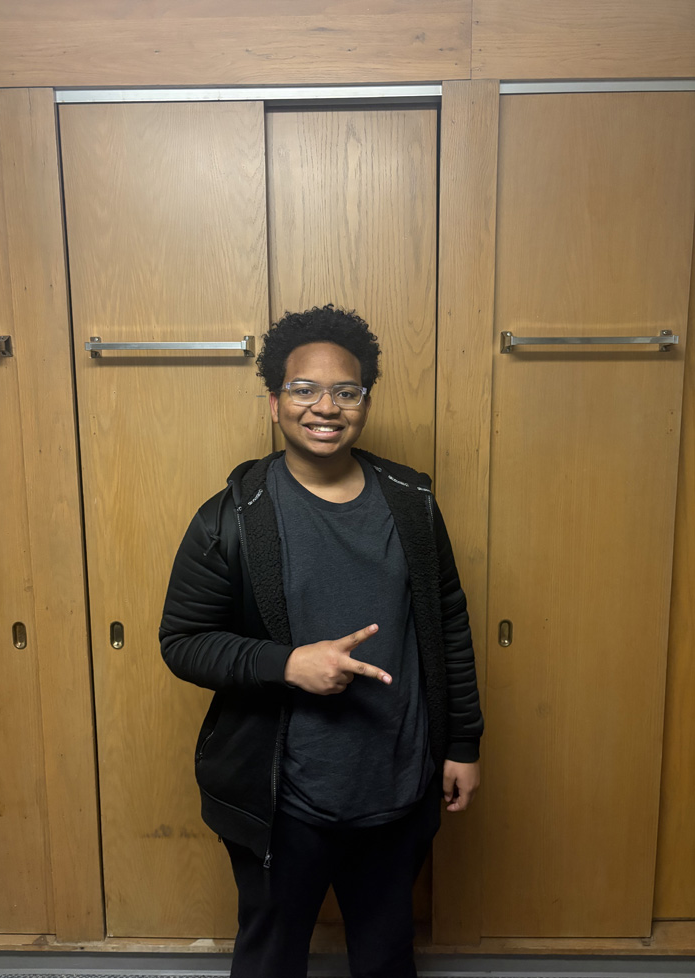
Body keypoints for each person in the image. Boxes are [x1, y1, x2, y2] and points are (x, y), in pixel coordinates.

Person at [159, 304, 484, 978]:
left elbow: (448, 622)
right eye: (304, 390)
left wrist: (462, 744)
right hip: (284, 799)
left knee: (387, 956)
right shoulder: (231, 518)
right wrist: (287, 664)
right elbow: (183, 640)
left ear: (364, 400)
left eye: (346, 390)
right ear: (275, 401)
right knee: (273, 958)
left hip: (397, 784)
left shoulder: (412, 502)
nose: (325, 406)